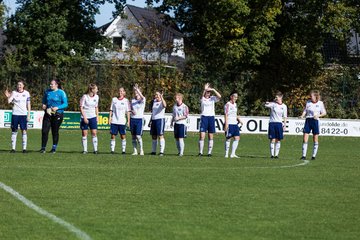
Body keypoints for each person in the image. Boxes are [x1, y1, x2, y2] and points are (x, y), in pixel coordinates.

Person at [40, 79, 68, 153]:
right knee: (44, 131)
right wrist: (44, 105)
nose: (50, 85)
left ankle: (54, 148)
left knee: (54, 131)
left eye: (52, 84)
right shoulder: (47, 92)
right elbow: (44, 102)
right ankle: (43, 148)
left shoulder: (61, 93)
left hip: (57, 114)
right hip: (48, 114)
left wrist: (57, 107)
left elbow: (65, 104)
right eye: (50, 84)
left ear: (56, 85)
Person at [4, 81, 31, 153]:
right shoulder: (14, 92)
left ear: (23, 86)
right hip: (15, 114)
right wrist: (8, 96)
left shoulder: (27, 93)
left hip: (23, 114)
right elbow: (9, 101)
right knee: (14, 130)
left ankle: (24, 149)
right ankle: (13, 149)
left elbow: (28, 104)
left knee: (24, 130)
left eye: (20, 85)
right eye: (18, 85)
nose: (19, 86)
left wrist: (28, 114)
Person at [300, 90, 327, 160]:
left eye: (311, 96)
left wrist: (318, 115)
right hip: (308, 120)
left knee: (315, 139)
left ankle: (313, 156)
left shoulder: (320, 103)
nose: (310, 97)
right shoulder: (308, 102)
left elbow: (324, 113)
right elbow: (305, 110)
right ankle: (303, 156)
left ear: (315, 96)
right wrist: (302, 115)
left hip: (315, 121)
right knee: (305, 138)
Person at [199, 83, 221, 157]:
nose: (208, 93)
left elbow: (220, 96)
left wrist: (213, 89)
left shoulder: (212, 98)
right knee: (202, 135)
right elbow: (201, 97)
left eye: (209, 92)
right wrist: (205, 89)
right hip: (204, 117)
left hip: (211, 117)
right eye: (207, 92)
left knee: (210, 136)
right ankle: (200, 152)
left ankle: (209, 153)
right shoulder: (203, 98)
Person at [264, 91, 288, 159]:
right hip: (272, 123)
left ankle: (276, 155)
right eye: (275, 97)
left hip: (279, 123)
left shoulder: (284, 106)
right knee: (272, 139)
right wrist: (271, 101)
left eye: (277, 97)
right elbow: (266, 104)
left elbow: (285, 116)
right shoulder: (273, 104)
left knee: (278, 139)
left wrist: (285, 125)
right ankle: (272, 155)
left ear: (281, 97)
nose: (276, 98)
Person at [109, 87, 131, 154]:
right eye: (119, 91)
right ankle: (112, 150)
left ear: (124, 93)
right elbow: (111, 110)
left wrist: (128, 121)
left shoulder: (126, 101)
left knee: (123, 136)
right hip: (114, 121)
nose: (120, 92)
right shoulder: (114, 99)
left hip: (122, 121)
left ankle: (123, 150)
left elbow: (128, 112)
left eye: (121, 91)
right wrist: (110, 118)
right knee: (113, 135)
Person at [80, 83, 99, 154]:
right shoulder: (84, 97)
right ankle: (85, 150)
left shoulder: (97, 97)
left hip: (93, 117)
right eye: (96, 89)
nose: (97, 90)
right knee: (84, 133)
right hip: (85, 117)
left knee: (94, 133)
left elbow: (96, 107)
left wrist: (97, 116)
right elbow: (81, 107)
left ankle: (95, 150)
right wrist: (84, 117)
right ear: (92, 90)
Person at [224, 92, 243, 158]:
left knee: (237, 138)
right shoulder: (227, 104)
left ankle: (233, 154)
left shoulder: (235, 104)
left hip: (235, 124)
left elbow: (235, 114)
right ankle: (226, 154)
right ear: (231, 97)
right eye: (234, 96)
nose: (236, 98)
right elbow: (226, 114)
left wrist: (239, 120)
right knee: (228, 138)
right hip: (229, 123)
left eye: (236, 97)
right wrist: (226, 124)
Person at [150, 90, 167, 156]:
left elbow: (165, 105)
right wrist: (150, 121)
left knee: (160, 135)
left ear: (160, 95)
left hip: (160, 120)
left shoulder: (162, 102)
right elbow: (153, 112)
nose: (156, 96)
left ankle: (161, 151)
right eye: (155, 95)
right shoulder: (154, 101)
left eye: (157, 94)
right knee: (153, 136)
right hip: (154, 120)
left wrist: (162, 98)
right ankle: (153, 151)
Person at [130, 84, 145, 155]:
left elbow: (142, 97)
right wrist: (131, 111)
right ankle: (135, 151)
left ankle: (141, 150)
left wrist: (137, 89)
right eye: (135, 92)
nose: (135, 93)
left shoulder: (143, 100)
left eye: (137, 92)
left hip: (139, 119)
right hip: (133, 119)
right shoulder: (132, 100)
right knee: (133, 136)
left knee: (138, 136)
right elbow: (130, 108)